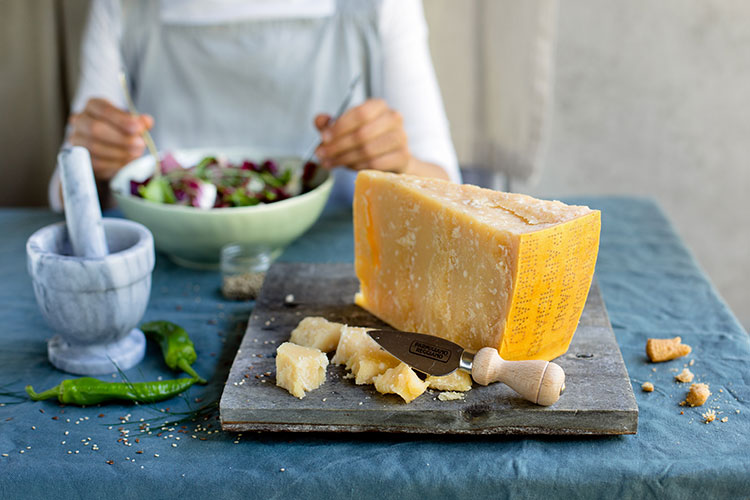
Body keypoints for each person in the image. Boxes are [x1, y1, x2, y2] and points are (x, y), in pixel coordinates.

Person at [49, 0, 460, 210]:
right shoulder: (123, 6)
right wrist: (87, 158)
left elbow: (450, 188)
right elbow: (61, 194)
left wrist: (401, 163)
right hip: (166, 262)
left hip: (335, 268)